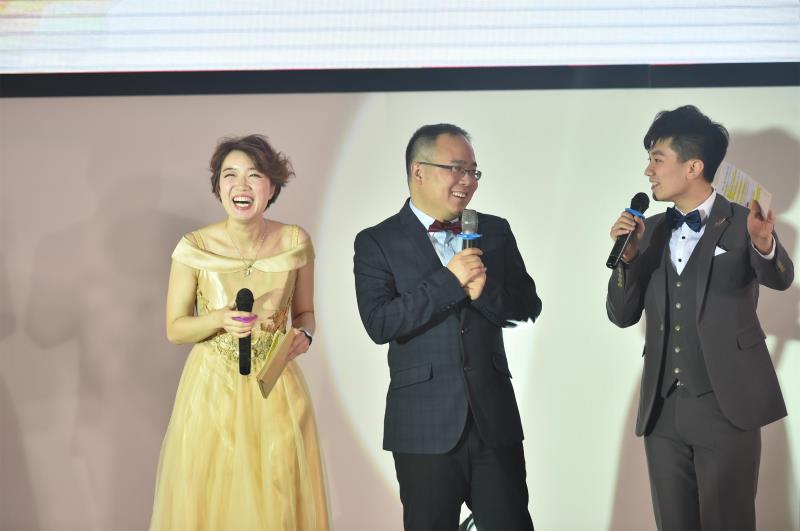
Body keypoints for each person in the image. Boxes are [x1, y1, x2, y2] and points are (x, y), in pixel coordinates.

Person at [607, 105, 794, 531]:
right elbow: (621, 315)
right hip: (663, 409)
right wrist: (627, 259)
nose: (648, 170)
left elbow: (780, 278)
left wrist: (764, 244)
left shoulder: (746, 222)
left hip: (728, 405)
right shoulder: (649, 231)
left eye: (657, 159)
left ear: (693, 166)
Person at [353, 123, 542, 531]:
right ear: (418, 171)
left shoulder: (495, 230)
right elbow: (380, 322)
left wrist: (484, 294)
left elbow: (528, 309)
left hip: (494, 421)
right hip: (422, 425)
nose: (468, 181)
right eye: (456, 169)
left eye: (473, 171)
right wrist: (449, 281)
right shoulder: (377, 241)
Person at [149, 135, 329, 530]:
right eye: (229, 175)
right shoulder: (194, 246)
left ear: (272, 188)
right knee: (213, 498)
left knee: (278, 498)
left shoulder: (295, 241)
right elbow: (175, 329)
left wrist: (305, 335)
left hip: (275, 387)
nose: (241, 186)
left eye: (254, 176)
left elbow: (305, 314)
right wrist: (218, 319)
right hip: (211, 390)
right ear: (218, 187)